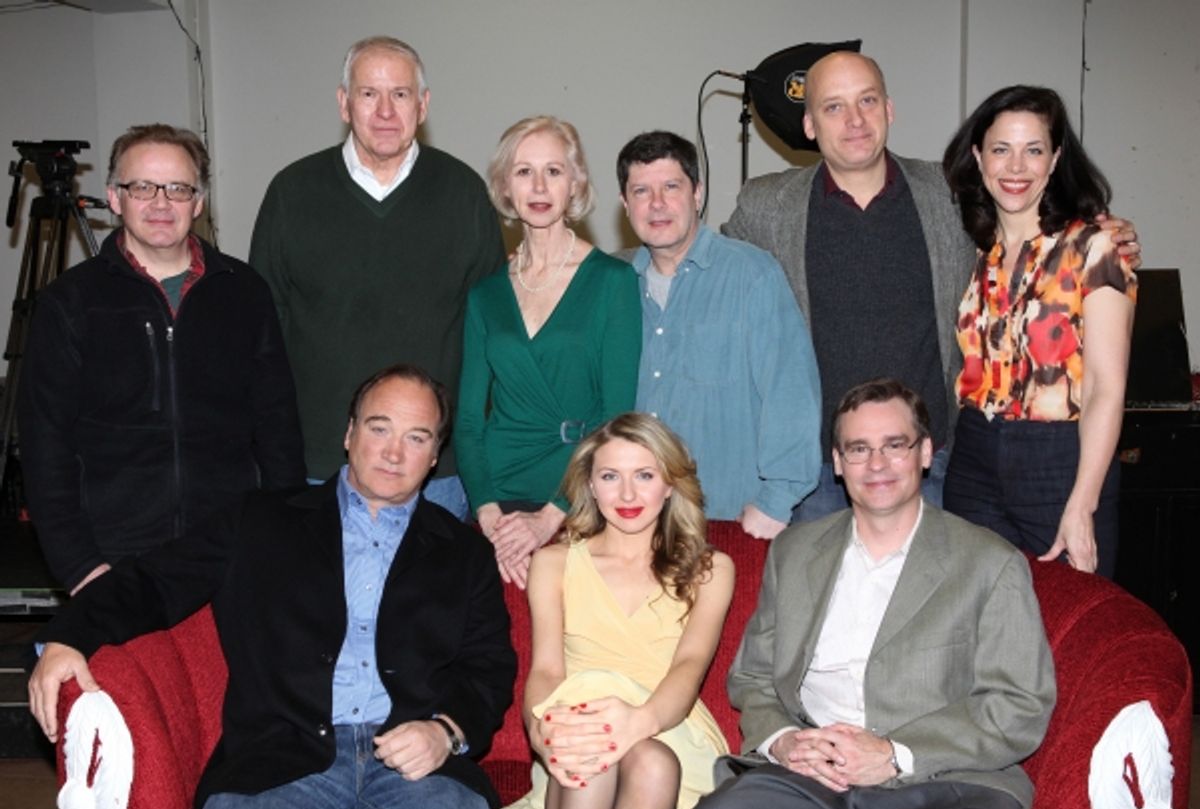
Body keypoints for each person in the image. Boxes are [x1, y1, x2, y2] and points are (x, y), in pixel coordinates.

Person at [27, 364, 517, 809]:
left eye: (417, 438)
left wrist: (444, 731)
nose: (394, 452)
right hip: (281, 752)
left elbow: (489, 665)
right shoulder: (259, 521)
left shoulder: (465, 553)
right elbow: (153, 581)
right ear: (349, 434)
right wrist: (69, 636)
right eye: (379, 428)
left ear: (435, 457)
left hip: (415, 761)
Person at [683, 378, 1056, 809]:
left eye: (894, 444)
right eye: (858, 449)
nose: (876, 464)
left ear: (925, 452)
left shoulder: (990, 563)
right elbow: (753, 676)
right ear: (838, 463)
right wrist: (784, 741)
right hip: (812, 771)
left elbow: (1019, 704)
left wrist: (893, 755)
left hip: (943, 778)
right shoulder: (795, 551)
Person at [724, 51, 1139, 522]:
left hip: (934, 467)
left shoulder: (951, 196)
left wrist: (1105, 236)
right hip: (817, 472)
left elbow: (1031, 220)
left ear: (889, 109)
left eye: (867, 100)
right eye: (834, 107)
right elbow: (709, 280)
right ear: (809, 125)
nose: (855, 120)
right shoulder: (767, 208)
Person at [18, 123, 304, 595]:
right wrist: (80, 567)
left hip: (230, 553)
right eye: (142, 187)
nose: (160, 203)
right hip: (113, 561)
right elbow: (45, 446)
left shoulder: (245, 293)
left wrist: (279, 539)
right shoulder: (69, 304)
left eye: (177, 188)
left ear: (199, 202)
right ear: (115, 198)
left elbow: (279, 432)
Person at [481, 412, 734, 809]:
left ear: (670, 485)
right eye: (611, 476)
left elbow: (689, 666)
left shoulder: (710, 568)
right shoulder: (553, 563)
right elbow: (547, 670)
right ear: (591, 486)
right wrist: (541, 735)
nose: (628, 493)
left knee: (637, 746)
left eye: (645, 475)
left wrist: (639, 721)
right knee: (612, 744)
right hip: (574, 731)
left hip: (669, 726)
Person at [250, 36, 505, 517]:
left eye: (400, 94)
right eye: (369, 94)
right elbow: (261, 339)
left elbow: (492, 338)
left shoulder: (465, 194)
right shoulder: (291, 193)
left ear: (423, 105)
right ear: (344, 103)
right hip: (319, 467)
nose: (385, 111)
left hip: (437, 474)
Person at [940, 85, 1136, 578]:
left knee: (1068, 614)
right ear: (978, 157)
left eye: (1033, 150)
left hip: (1061, 461)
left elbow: (1105, 388)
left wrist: (1083, 503)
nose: (1016, 167)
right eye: (1001, 149)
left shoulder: (1095, 248)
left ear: (1055, 159)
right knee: (979, 613)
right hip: (973, 456)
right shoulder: (975, 251)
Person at [456, 116, 641, 588]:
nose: (539, 186)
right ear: (505, 186)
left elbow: (617, 415)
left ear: (574, 183)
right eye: (524, 171)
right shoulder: (485, 295)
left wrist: (551, 515)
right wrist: (489, 514)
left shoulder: (613, 282)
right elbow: (469, 421)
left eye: (553, 171)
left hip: (580, 492)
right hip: (496, 497)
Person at [618, 131, 821, 539]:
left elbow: (791, 393)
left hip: (727, 518)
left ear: (697, 194)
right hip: (632, 520)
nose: (656, 203)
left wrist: (777, 501)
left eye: (671, 186)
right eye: (641, 191)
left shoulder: (753, 275)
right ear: (625, 205)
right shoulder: (614, 285)